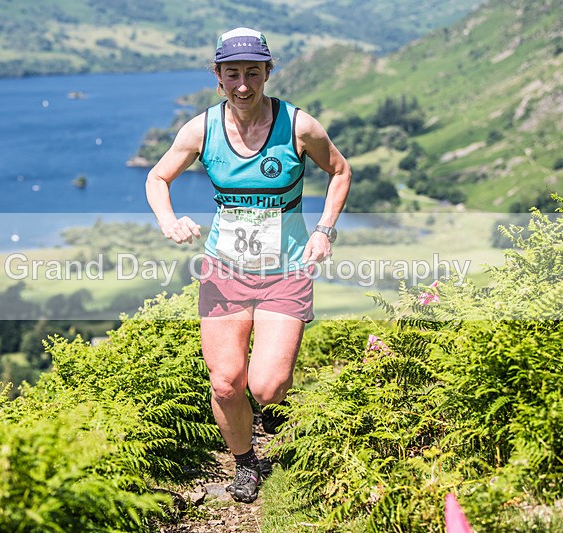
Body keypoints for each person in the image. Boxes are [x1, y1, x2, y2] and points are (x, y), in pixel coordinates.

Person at [145, 27, 351, 504]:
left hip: (286, 270)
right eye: (232, 73)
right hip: (225, 269)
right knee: (226, 381)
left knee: (268, 385)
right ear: (218, 77)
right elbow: (158, 177)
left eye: (252, 72)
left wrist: (324, 230)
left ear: (267, 73)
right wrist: (168, 220)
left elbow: (340, 171)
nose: (243, 84)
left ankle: (275, 403)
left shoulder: (300, 127)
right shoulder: (201, 129)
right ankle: (245, 462)